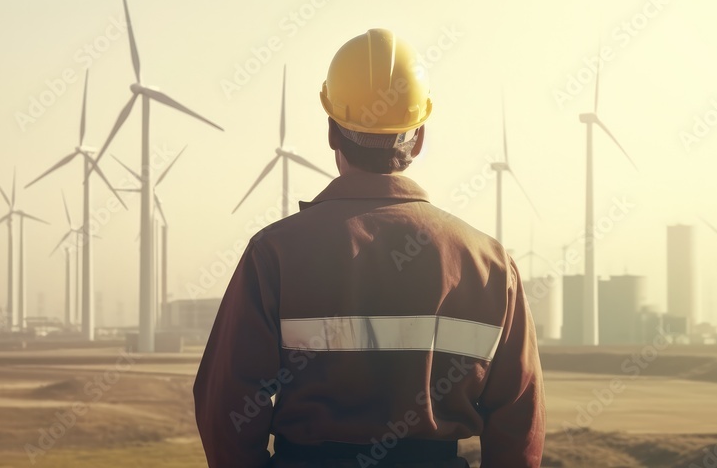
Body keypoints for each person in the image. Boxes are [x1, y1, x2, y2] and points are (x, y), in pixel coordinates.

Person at [194, 28, 545, 467]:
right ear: (417, 138)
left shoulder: (275, 254)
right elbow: (519, 420)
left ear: (331, 133)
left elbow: (226, 402)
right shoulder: (490, 265)